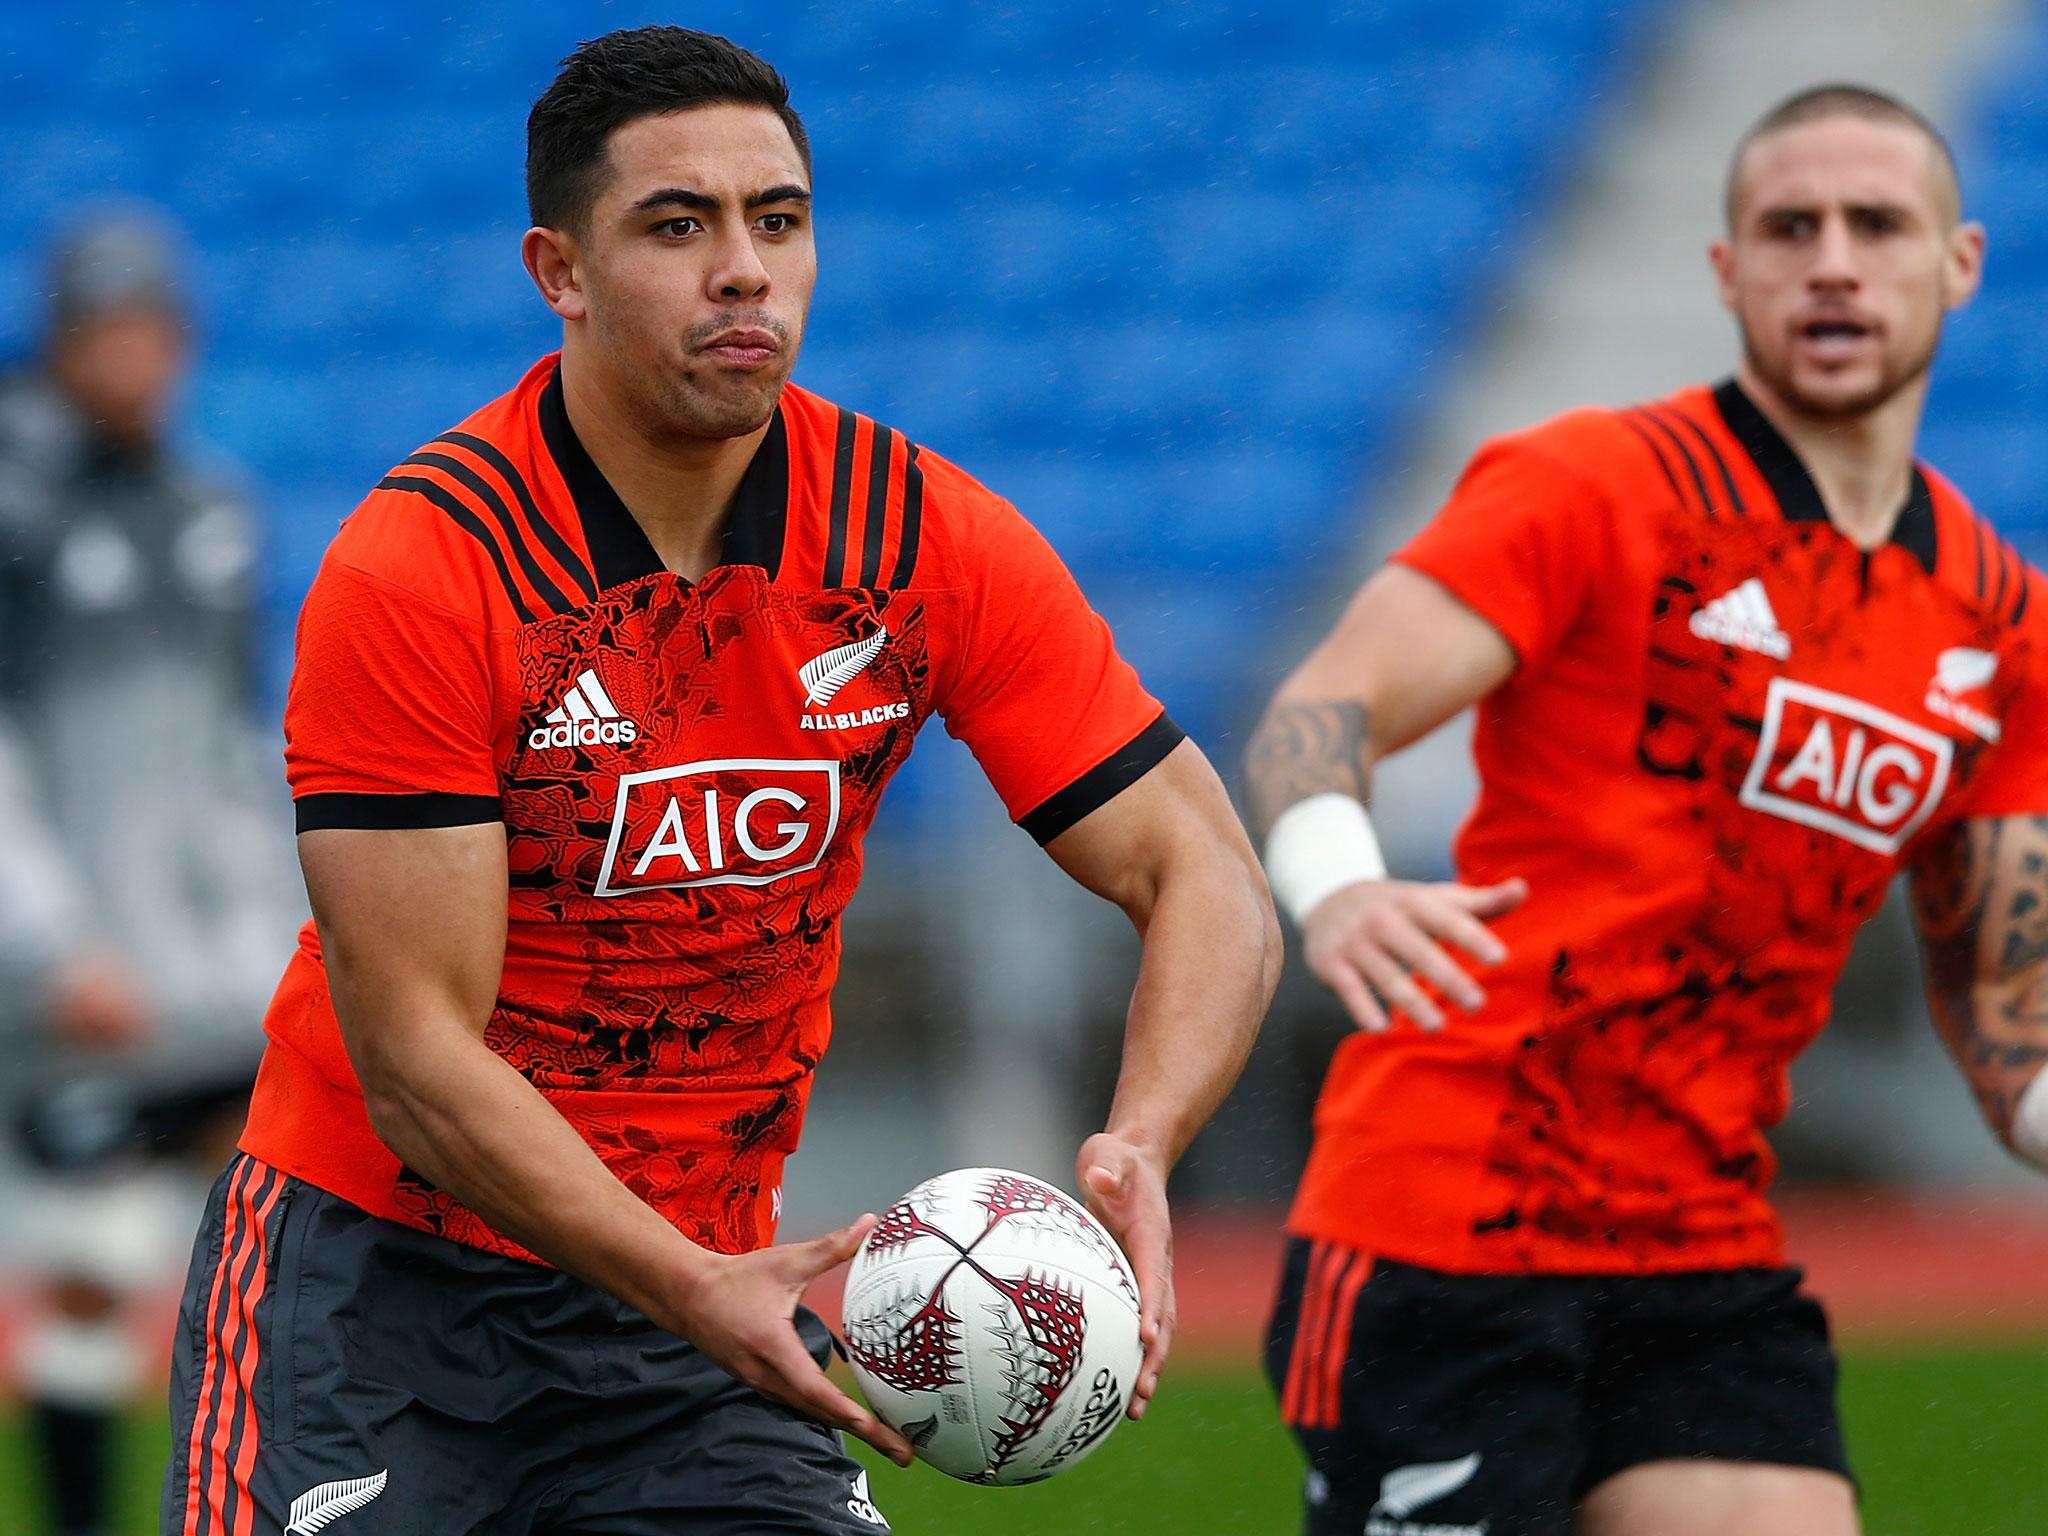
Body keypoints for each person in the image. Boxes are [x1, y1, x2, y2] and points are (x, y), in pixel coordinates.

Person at [160, 26, 1279, 1536]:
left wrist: (1143, 1139)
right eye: (679, 226)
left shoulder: (920, 538)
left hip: (702, 1308)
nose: (744, 268)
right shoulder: (428, 569)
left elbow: (1201, 869)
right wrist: (688, 1282)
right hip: (377, 1302)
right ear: (558, 271)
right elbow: (419, 1062)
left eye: (780, 218)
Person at [1246, 84, 2048, 1536]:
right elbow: (1324, 708)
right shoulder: (1596, 486)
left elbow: (2010, 1011)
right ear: (1727, 270)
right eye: (1788, 228)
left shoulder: (2000, 625)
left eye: (1878, 225)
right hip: (1446, 1226)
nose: (1834, 261)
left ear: (1962, 259)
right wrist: (1341, 884)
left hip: (1700, 1247)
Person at [0, 207, 298, 1536]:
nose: (134, 359)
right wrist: (48, 941)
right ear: (63, 345)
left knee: (277, 1254)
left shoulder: (210, 514)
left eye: (152, 330)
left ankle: (271, 1506)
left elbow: (237, 756)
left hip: (208, 976)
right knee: (87, 1266)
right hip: (79, 983)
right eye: (106, 331)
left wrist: (281, 934)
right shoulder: (19, 518)